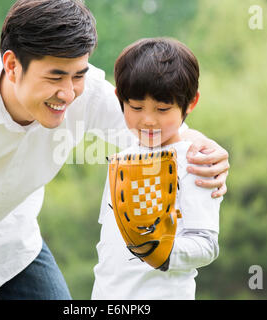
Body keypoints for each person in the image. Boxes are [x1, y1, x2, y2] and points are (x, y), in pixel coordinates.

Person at [0, 0, 229, 300]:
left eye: (78, 74)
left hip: (9, 229)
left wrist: (205, 152)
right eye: (55, 76)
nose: (68, 93)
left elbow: (155, 134)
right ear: (12, 65)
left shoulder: (88, 92)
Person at [91, 38, 222, 300]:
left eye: (162, 109)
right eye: (136, 107)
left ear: (191, 103)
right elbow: (109, 246)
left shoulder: (196, 161)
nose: (148, 120)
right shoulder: (121, 161)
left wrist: (160, 251)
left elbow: (207, 245)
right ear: (120, 99)